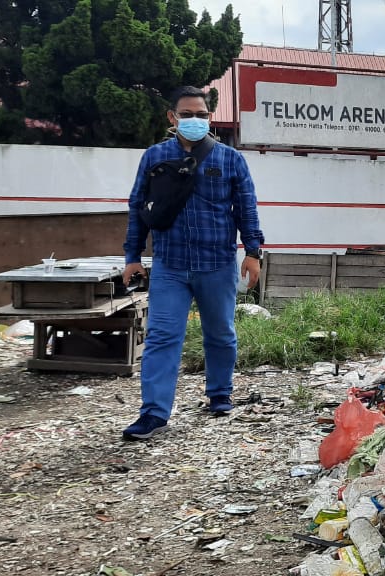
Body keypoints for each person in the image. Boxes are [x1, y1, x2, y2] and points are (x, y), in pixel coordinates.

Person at [120, 86, 265, 441]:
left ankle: (219, 394)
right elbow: (138, 208)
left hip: (216, 263)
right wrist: (132, 257)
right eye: (187, 114)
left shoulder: (230, 159)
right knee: (161, 337)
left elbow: (246, 207)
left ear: (210, 117)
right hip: (170, 264)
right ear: (172, 118)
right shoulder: (154, 157)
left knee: (220, 334)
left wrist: (253, 251)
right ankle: (153, 413)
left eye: (201, 114)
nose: (195, 120)